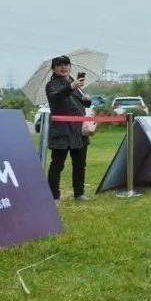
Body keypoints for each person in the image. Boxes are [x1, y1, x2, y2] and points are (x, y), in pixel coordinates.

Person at [45, 55, 90, 203]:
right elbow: (56, 97)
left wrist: (87, 100)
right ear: (53, 69)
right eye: (59, 65)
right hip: (61, 131)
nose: (63, 67)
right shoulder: (52, 85)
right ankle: (54, 196)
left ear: (70, 66)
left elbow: (81, 106)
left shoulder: (74, 82)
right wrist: (71, 87)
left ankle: (79, 193)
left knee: (80, 164)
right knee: (57, 164)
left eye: (66, 64)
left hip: (78, 130)